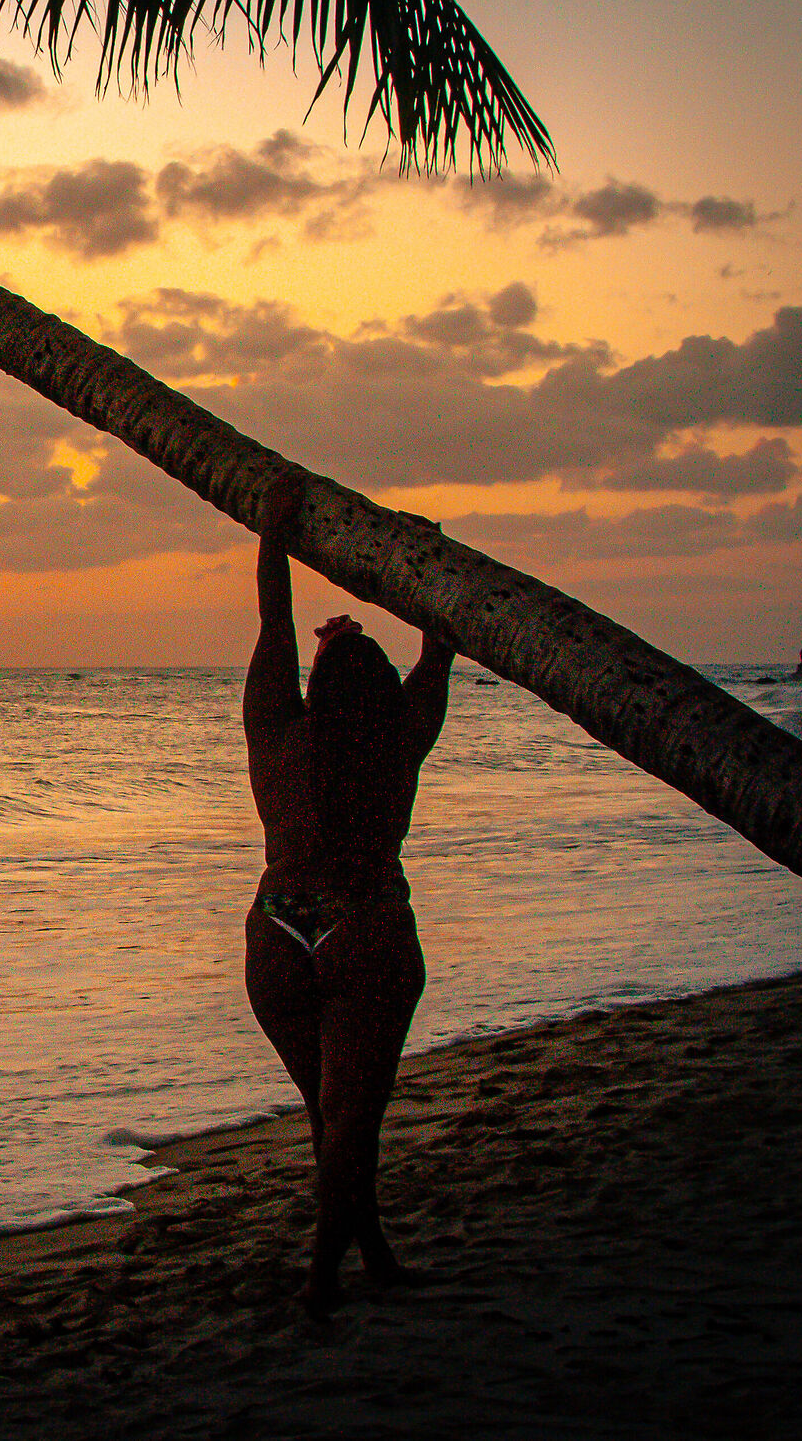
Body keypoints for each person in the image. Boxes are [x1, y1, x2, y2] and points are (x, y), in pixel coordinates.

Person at [242, 470, 453, 1317]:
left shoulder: (277, 733)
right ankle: (325, 1281)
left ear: (319, 684)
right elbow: (438, 644)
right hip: (365, 926)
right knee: (353, 1117)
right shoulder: (400, 741)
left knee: (331, 1118)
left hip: (278, 933)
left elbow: (274, 626)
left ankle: (370, 1254)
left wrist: (274, 535)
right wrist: (428, 559)